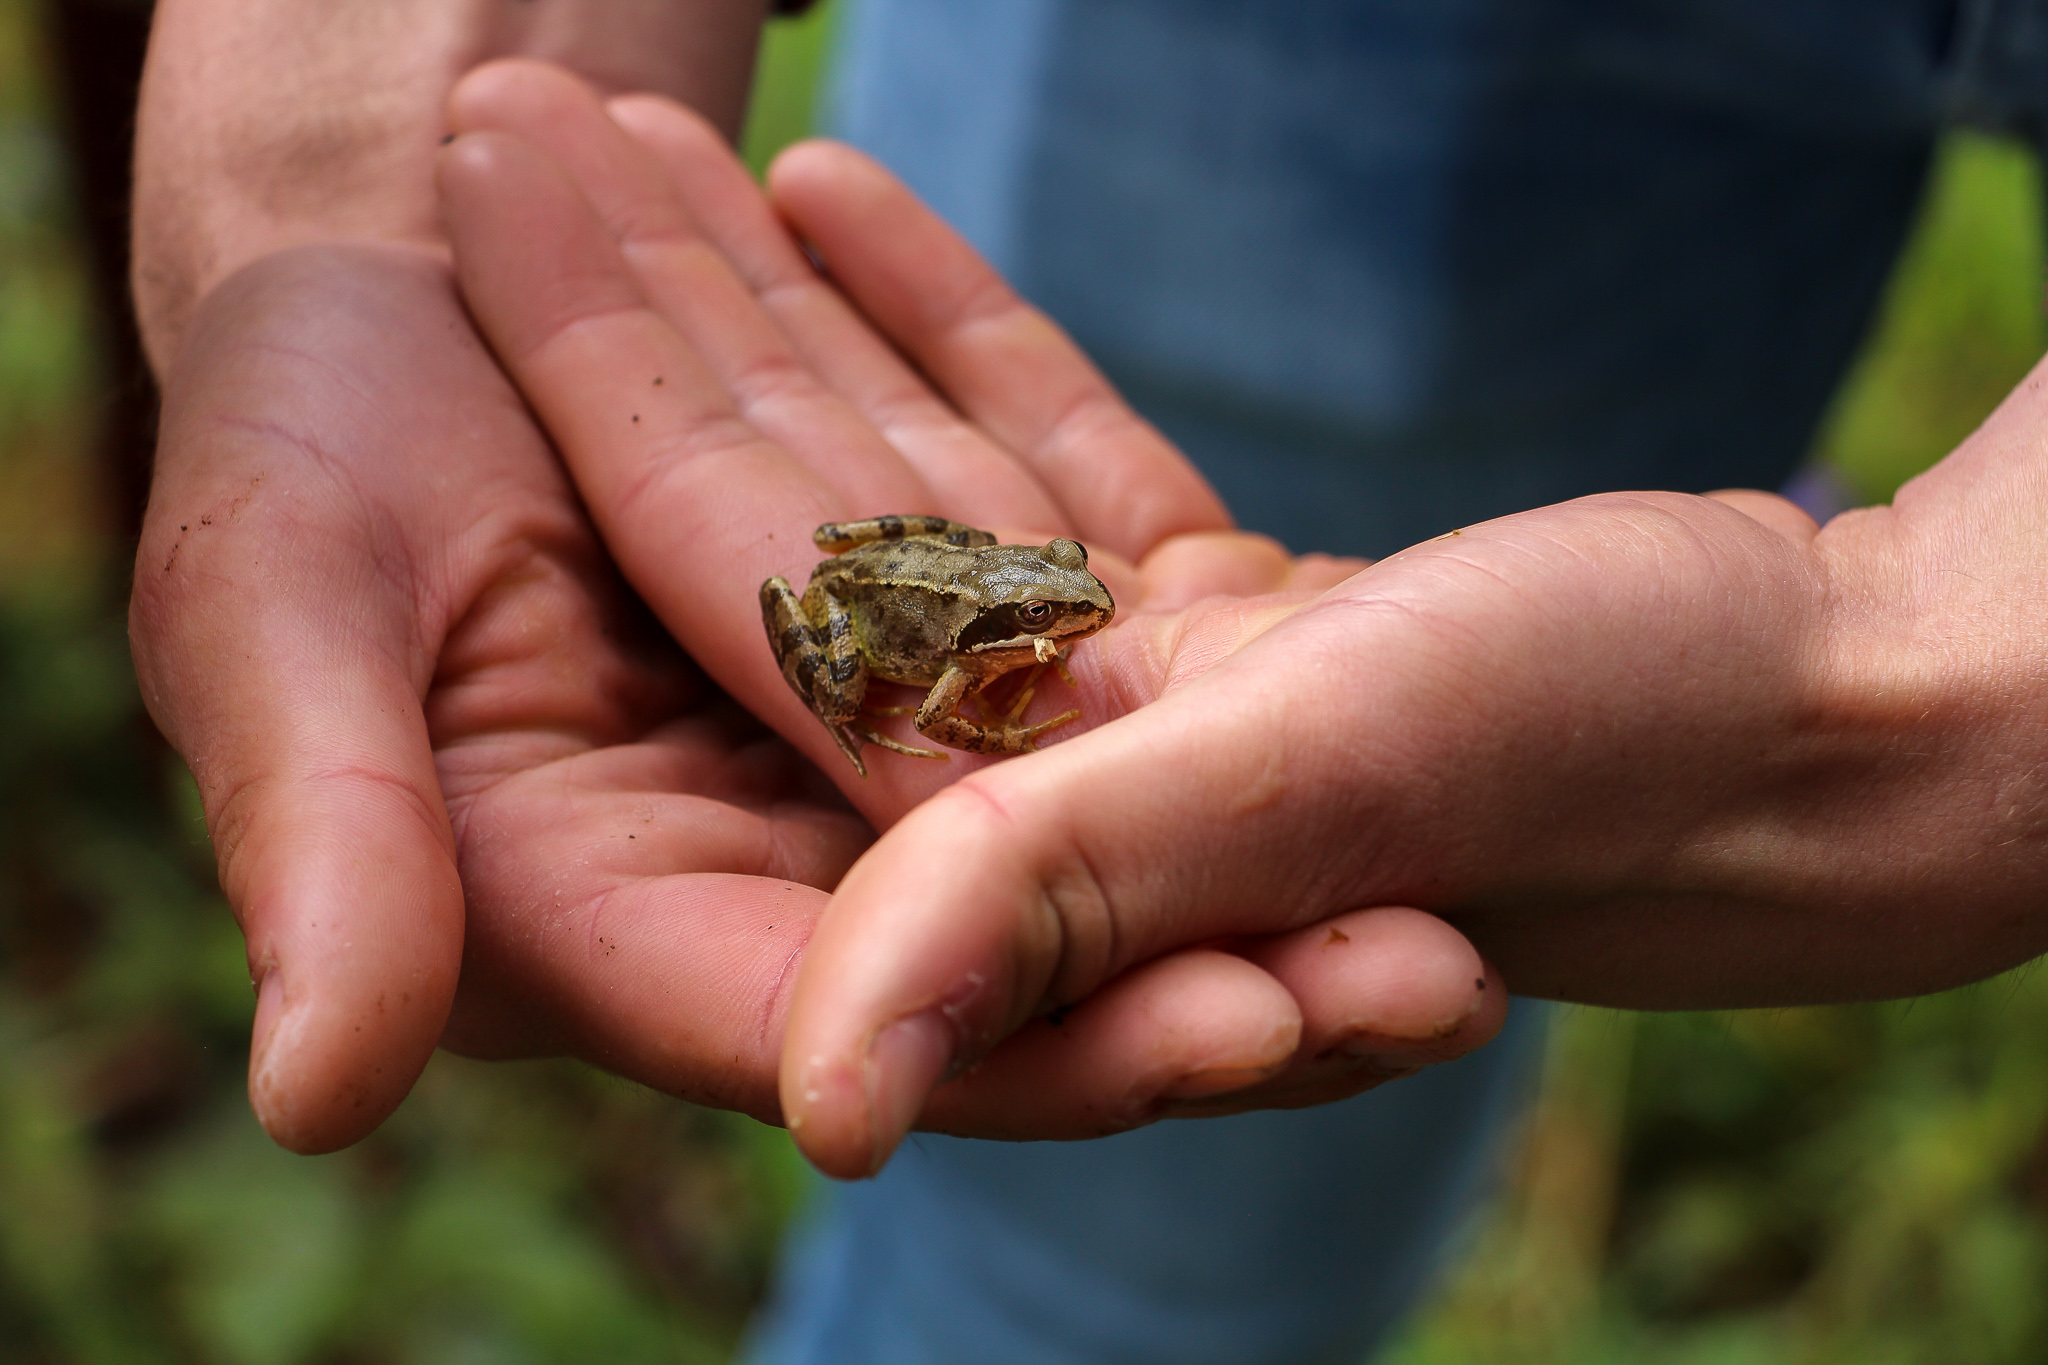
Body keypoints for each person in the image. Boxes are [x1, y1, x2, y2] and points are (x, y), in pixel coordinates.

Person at [129, 1, 2048, 1361]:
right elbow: (919, 640)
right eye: (1044, 626)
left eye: (1056, 622)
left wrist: (1922, 653)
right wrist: (371, 175)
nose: (1064, 640)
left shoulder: (1035, 614)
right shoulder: (1002, 626)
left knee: (1252, 981)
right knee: (1103, 1261)